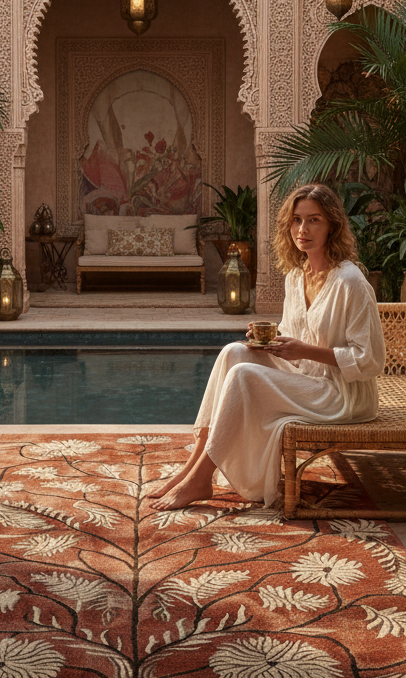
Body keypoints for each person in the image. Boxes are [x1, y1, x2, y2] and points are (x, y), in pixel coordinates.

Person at [151, 183, 385, 511]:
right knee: (234, 352)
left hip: (340, 394)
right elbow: (294, 333)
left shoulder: (350, 282)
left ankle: (202, 478)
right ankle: (192, 465)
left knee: (245, 376)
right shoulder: (296, 274)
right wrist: (269, 341)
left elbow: (371, 360)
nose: (303, 229)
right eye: (296, 220)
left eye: (314, 220)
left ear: (332, 225)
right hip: (304, 377)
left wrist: (303, 350)